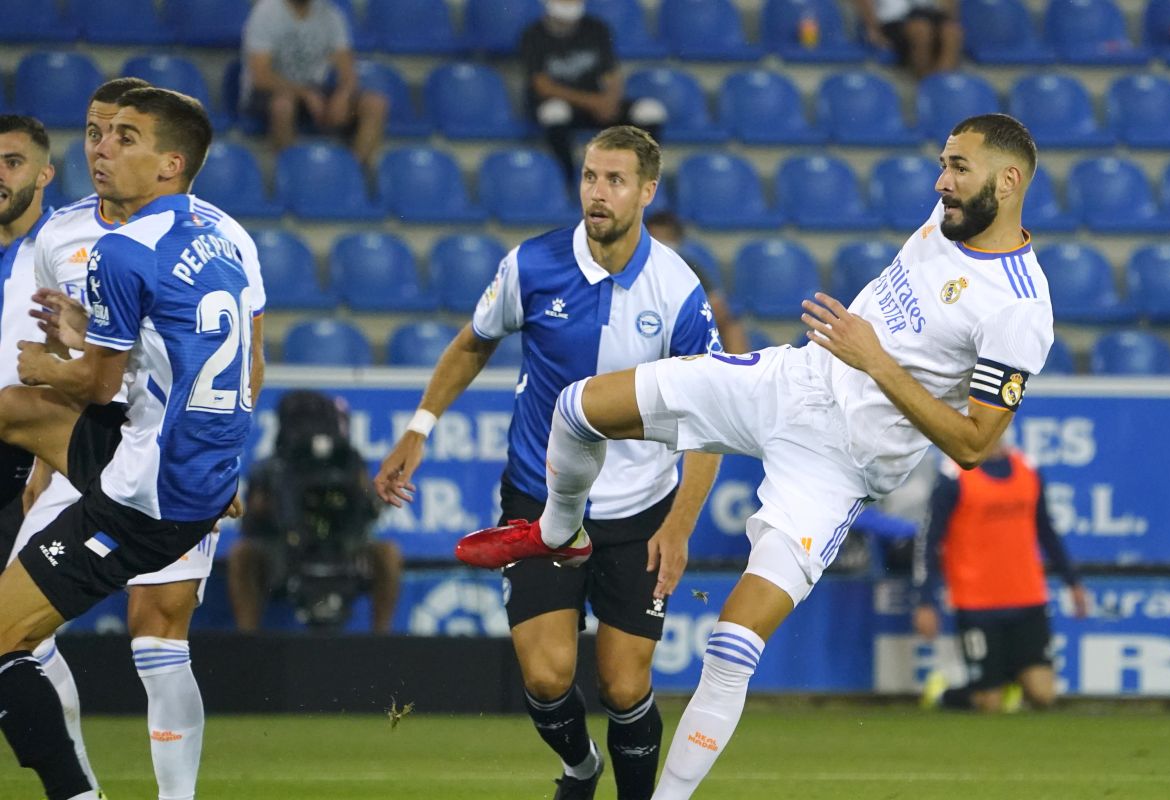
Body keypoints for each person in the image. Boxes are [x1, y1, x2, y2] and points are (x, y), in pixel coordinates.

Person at [454, 114, 1053, 799]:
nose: (942, 181)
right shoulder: (951, 219)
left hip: (837, 470)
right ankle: (557, 535)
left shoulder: (1020, 310)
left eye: (959, 169)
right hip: (790, 382)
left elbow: (974, 444)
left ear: (1008, 183)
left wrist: (877, 362)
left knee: (732, 645)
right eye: (943, 164)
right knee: (578, 407)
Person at [375, 125, 722, 800]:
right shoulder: (531, 265)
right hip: (540, 499)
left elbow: (709, 418)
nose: (597, 192)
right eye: (591, 176)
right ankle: (580, 768)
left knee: (625, 684)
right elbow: (473, 343)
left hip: (638, 510)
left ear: (647, 191)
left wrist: (678, 526)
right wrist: (419, 428)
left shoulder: (678, 292)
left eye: (615, 180)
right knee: (545, 676)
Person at [0, 87, 261, 800]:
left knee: (22, 638)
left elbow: (92, 383)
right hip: (178, 459)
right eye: (97, 133)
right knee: (12, 410)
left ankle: (78, 794)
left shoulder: (123, 250)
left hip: (144, 490)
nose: (102, 149)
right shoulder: (215, 240)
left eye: (124, 138)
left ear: (171, 163)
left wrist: (53, 361)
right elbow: (190, 353)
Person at [912, 441, 1087, 712]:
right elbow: (929, 540)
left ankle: (1006, 681)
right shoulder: (953, 475)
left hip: (1027, 597)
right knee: (988, 703)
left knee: (1043, 695)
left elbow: (1046, 529)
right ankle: (942, 692)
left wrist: (1072, 582)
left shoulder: (1027, 469)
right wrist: (925, 600)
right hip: (977, 604)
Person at [229, 389, 401, 633]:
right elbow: (249, 525)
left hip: (344, 549)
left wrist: (377, 498)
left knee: (388, 554)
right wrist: (270, 508)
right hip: (285, 550)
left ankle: (383, 639)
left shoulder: (350, 463)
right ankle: (246, 640)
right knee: (242, 555)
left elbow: (367, 511)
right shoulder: (269, 468)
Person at [520, 0, 667, 182]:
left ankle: (641, 175)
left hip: (601, 104)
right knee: (553, 112)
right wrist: (594, 102)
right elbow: (543, 86)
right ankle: (569, 180)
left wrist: (610, 102)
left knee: (650, 110)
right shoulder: (533, 34)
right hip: (569, 106)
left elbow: (611, 75)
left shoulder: (596, 28)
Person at [0, 115, 56, 568]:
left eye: (12, 162)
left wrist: (48, 463)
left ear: (44, 174)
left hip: (27, 456)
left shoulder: (74, 251)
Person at [241, 0, 388, 166]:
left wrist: (343, 95)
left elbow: (347, 69)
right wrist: (305, 93)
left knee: (375, 104)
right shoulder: (265, 12)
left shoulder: (331, 14)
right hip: (271, 91)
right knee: (283, 104)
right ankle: (290, 172)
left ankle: (352, 173)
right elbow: (261, 77)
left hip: (315, 90)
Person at [644, 211, 750, 354]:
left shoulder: (688, 266)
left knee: (732, 327)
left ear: (677, 241)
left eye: (666, 239)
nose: (661, 244)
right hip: (647, 325)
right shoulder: (634, 267)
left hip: (684, 325)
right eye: (655, 238)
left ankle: (737, 373)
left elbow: (717, 306)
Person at [856, 0, 963, 79]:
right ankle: (925, 79)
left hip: (927, 14)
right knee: (921, 29)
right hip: (895, 20)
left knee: (952, 31)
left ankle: (942, 81)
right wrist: (873, 29)